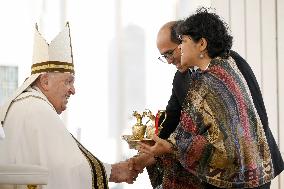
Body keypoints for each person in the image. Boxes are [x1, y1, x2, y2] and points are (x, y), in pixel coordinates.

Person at [137, 8, 283, 189]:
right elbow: (174, 118)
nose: (169, 59)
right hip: (217, 170)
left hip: (248, 165)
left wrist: (173, 147)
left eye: (182, 42)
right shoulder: (188, 77)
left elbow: (253, 116)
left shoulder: (227, 67)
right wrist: (153, 150)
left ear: (201, 44)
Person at [0, 23, 138, 189]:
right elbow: (67, 168)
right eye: (68, 81)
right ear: (45, 81)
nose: (73, 90)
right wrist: (114, 172)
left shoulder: (25, 104)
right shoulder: (37, 109)